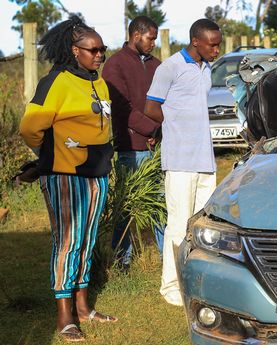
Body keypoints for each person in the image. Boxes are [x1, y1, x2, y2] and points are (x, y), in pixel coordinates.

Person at [19, 16, 117, 341]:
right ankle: (64, 317)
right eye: (94, 50)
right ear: (75, 50)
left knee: (87, 241)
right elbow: (30, 128)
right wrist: (50, 153)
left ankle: (85, 307)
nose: (100, 55)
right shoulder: (56, 81)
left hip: (97, 174)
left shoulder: (97, 81)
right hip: (65, 176)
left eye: (103, 49)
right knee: (68, 243)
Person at [144, 18, 222, 307]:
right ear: (196, 42)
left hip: (205, 160)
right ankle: (171, 286)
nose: (217, 49)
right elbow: (150, 107)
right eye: (212, 44)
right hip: (179, 160)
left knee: (201, 226)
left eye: (218, 43)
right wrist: (174, 125)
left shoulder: (207, 68)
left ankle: (196, 280)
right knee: (177, 225)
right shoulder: (171, 67)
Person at [102, 16, 163, 269]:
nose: (153, 44)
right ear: (136, 35)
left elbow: (166, 101)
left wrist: (159, 131)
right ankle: (121, 262)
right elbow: (121, 109)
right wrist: (150, 128)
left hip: (158, 146)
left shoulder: (158, 65)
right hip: (131, 149)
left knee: (161, 204)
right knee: (126, 207)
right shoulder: (115, 65)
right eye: (150, 39)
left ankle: (167, 258)